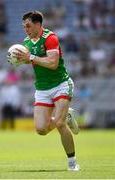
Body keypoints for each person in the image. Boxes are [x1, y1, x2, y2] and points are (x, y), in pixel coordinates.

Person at [10, 11, 80, 171]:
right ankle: (66, 114)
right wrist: (19, 60)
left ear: (38, 24)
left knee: (60, 124)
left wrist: (32, 58)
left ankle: (72, 163)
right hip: (42, 88)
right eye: (23, 27)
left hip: (61, 84)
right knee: (41, 129)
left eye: (28, 26)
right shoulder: (26, 42)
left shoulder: (50, 38)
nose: (25, 29)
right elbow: (30, 59)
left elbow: (53, 63)